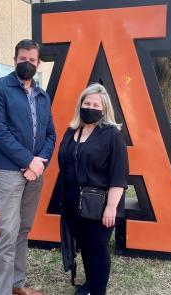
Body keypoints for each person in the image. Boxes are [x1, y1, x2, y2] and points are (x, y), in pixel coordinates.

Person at [0, 39, 56, 295]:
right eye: (22, 59)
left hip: (35, 172)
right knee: (7, 231)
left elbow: (51, 135)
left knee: (24, 228)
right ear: (14, 60)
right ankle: (2, 291)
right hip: (8, 170)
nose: (27, 63)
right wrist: (29, 161)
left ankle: (17, 285)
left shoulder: (42, 96)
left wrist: (37, 165)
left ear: (38, 64)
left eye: (32, 60)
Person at [57, 83, 128, 295]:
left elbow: (119, 175)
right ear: (80, 105)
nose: (90, 107)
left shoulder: (112, 135)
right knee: (85, 247)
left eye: (96, 104)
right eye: (86, 102)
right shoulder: (71, 131)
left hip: (98, 206)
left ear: (104, 109)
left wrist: (111, 207)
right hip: (72, 203)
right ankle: (89, 285)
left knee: (97, 251)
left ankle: (97, 291)